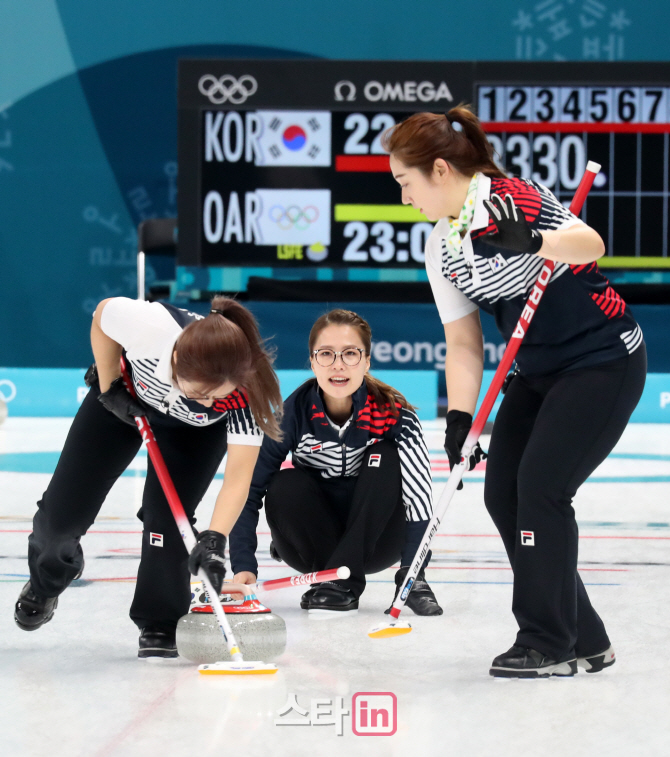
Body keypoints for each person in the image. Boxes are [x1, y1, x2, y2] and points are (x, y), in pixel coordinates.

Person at [382, 107, 646, 677]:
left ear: (441, 170)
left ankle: (547, 641)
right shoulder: (441, 244)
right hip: (539, 370)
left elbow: (590, 243)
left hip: (602, 358)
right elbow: (463, 341)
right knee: (503, 494)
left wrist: (533, 238)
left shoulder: (510, 200)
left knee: (542, 488)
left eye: (406, 182)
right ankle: (587, 637)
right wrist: (459, 417)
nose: (404, 197)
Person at [14, 296, 282, 658]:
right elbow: (102, 314)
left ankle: (160, 620)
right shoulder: (152, 328)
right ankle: (47, 582)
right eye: (199, 393)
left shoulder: (248, 394)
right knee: (60, 519)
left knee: (168, 523)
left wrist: (215, 540)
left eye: (216, 399)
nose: (205, 403)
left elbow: (238, 477)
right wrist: (110, 389)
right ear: (175, 360)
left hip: (194, 436)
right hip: (125, 402)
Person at [228, 309, 442, 615]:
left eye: (350, 354)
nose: (338, 364)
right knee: (285, 482)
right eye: (326, 354)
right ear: (312, 361)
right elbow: (247, 492)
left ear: (367, 361)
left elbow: (419, 500)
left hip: (377, 543)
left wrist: (413, 571)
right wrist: (243, 566)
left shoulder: (397, 417)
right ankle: (331, 580)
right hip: (311, 548)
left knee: (385, 456)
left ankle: (341, 584)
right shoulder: (289, 417)